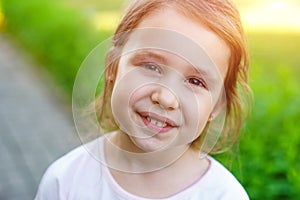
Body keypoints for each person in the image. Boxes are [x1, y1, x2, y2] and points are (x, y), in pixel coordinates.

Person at [35, 0, 252, 199]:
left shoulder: (225, 196)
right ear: (113, 66)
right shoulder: (65, 182)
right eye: (151, 66)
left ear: (217, 105)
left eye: (195, 82)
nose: (166, 98)